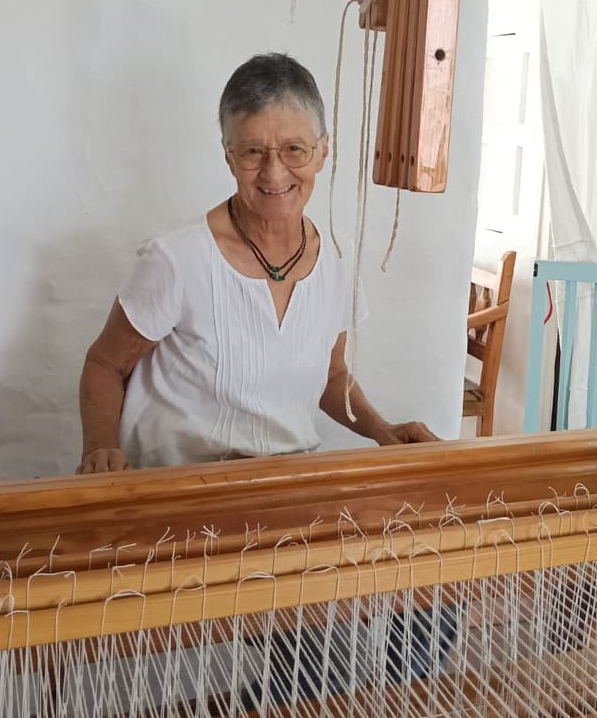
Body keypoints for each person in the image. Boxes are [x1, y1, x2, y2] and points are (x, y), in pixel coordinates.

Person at [77, 52, 439, 474]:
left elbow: (332, 374)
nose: (273, 173)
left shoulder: (336, 262)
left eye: (294, 150)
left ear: (323, 152)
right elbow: (104, 363)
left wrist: (382, 429)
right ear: (229, 157)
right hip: (178, 488)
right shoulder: (177, 261)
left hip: (284, 488)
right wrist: (99, 447)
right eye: (252, 152)